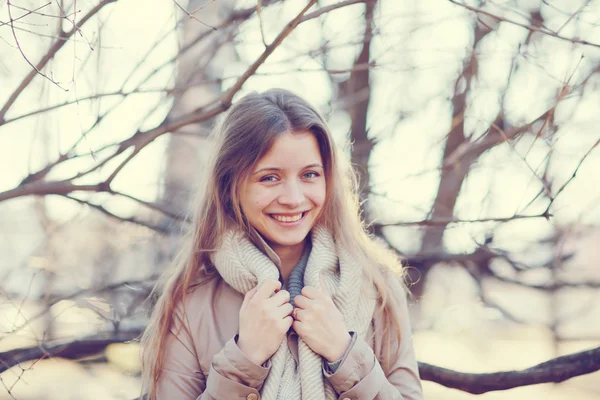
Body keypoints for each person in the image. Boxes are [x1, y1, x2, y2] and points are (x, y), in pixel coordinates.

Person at [140, 88, 423, 400]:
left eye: (310, 175)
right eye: (269, 178)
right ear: (229, 185)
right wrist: (243, 359)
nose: (293, 198)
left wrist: (344, 354)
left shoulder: (377, 286)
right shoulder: (191, 300)